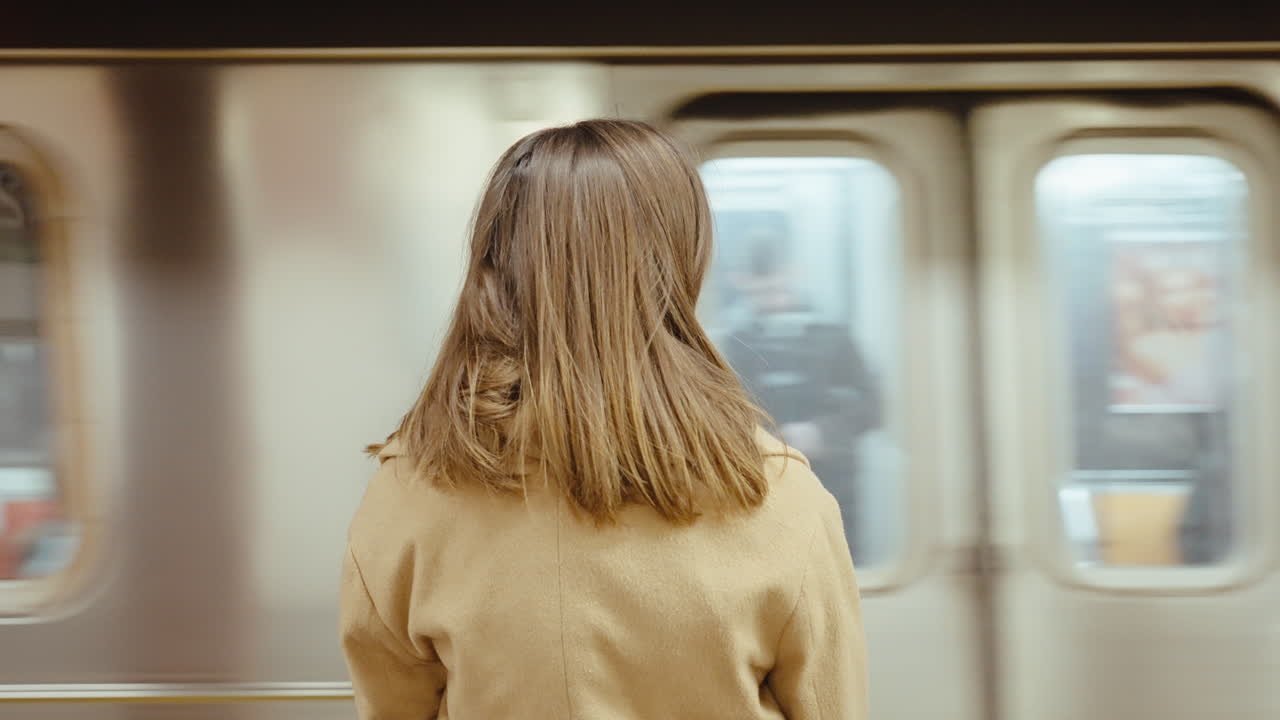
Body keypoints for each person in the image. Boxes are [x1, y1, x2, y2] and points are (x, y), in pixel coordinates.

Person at [339, 119, 868, 719]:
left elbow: (393, 704)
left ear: (494, 264)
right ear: (682, 257)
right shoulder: (773, 494)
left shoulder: (413, 490)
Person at [723, 230, 883, 564]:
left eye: (778, 288)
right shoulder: (736, 344)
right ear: (741, 283)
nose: (773, 301)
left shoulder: (834, 336)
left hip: (835, 486)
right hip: (765, 489)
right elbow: (722, 414)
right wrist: (764, 439)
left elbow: (873, 406)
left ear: (794, 273)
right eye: (761, 293)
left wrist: (822, 433)